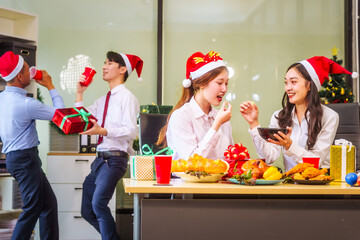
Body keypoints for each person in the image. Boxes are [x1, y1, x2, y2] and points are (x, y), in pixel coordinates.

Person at [240, 56, 358, 172]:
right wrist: (254, 124)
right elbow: (269, 158)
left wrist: (289, 145)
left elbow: (316, 162)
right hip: (290, 185)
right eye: (286, 83)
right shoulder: (280, 116)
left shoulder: (329, 117)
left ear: (310, 85)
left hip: (318, 185)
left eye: (293, 82)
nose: (288, 88)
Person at [75, 51, 141, 240]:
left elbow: (131, 130)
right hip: (99, 162)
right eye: (104, 62)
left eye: (109, 63)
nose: (104, 66)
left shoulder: (127, 97)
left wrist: (102, 131)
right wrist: (80, 93)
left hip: (114, 159)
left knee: (98, 204)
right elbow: (83, 118)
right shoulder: (104, 99)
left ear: (122, 69)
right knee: (88, 210)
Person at [0, 51, 65, 240]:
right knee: (32, 208)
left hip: (17, 158)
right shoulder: (26, 103)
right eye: (28, 69)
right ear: (20, 76)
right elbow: (62, 117)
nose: (32, 71)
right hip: (25, 159)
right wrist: (50, 86)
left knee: (49, 204)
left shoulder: (2, 98)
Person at [157, 50, 233, 160]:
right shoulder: (181, 116)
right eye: (219, 83)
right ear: (202, 83)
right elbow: (192, 163)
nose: (224, 89)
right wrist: (216, 125)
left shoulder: (221, 118)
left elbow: (229, 160)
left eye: (226, 83)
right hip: (187, 178)